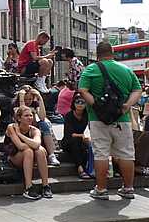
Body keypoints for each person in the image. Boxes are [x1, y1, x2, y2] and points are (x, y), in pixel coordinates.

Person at [79, 41, 142, 200]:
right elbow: (137, 89)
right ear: (112, 53)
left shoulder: (91, 69)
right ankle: (128, 189)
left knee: (101, 154)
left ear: (97, 55)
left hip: (98, 118)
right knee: (127, 154)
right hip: (122, 118)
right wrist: (127, 105)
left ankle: (101, 189)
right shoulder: (126, 70)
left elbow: (82, 90)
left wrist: (96, 105)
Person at [4, 106, 52, 199]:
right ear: (19, 118)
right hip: (14, 158)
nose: (30, 118)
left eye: (31, 115)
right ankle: (28, 187)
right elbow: (20, 146)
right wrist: (30, 143)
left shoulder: (35, 130)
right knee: (28, 151)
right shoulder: (11, 127)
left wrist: (20, 134)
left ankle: (45, 185)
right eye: (26, 116)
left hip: (31, 157)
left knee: (40, 150)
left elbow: (37, 145)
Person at [12, 85, 60, 166]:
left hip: (33, 128)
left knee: (44, 124)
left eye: (30, 99)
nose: (27, 101)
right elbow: (21, 115)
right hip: (20, 128)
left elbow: (42, 117)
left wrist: (40, 98)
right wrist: (21, 99)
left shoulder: (34, 103)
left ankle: (52, 155)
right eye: (25, 99)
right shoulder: (15, 104)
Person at [61, 92, 91, 178]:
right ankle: (80, 168)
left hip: (80, 141)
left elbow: (91, 128)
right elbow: (68, 134)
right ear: (73, 103)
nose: (80, 104)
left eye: (82, 102)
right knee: (76, 142)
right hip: (68, 141)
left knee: (84, 146)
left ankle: (88, 168)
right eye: (77, 102)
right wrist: (81, 136)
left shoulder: (87, 115)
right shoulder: (69, 115)